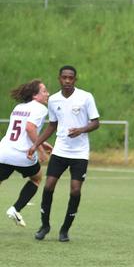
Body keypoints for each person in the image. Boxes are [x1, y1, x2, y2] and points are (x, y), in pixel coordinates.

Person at [28, 65, 100, 242]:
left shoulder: (85, 97)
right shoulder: (53, 100)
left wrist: (81, 129)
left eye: (71, 78)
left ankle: (65, 230)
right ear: (59, 78)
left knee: (75, 190)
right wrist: (36, 144)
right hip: (60, 151)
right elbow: (52, 125)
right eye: (64, 77)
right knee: (48, 186)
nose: (67, 80)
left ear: (75, 79)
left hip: (80, 153)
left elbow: (96, 122)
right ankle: (44, 226)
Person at [1, 79, 52, 227]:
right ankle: (15, 209)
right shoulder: (41, 108)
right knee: (36, 178)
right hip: (23, 155)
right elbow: (30, 128)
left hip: (4, 151)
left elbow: (23, 131)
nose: (47, 93)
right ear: (35, 96)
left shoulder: (19, 107)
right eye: (44, 91)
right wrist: (40, 150)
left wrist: (41, 141)